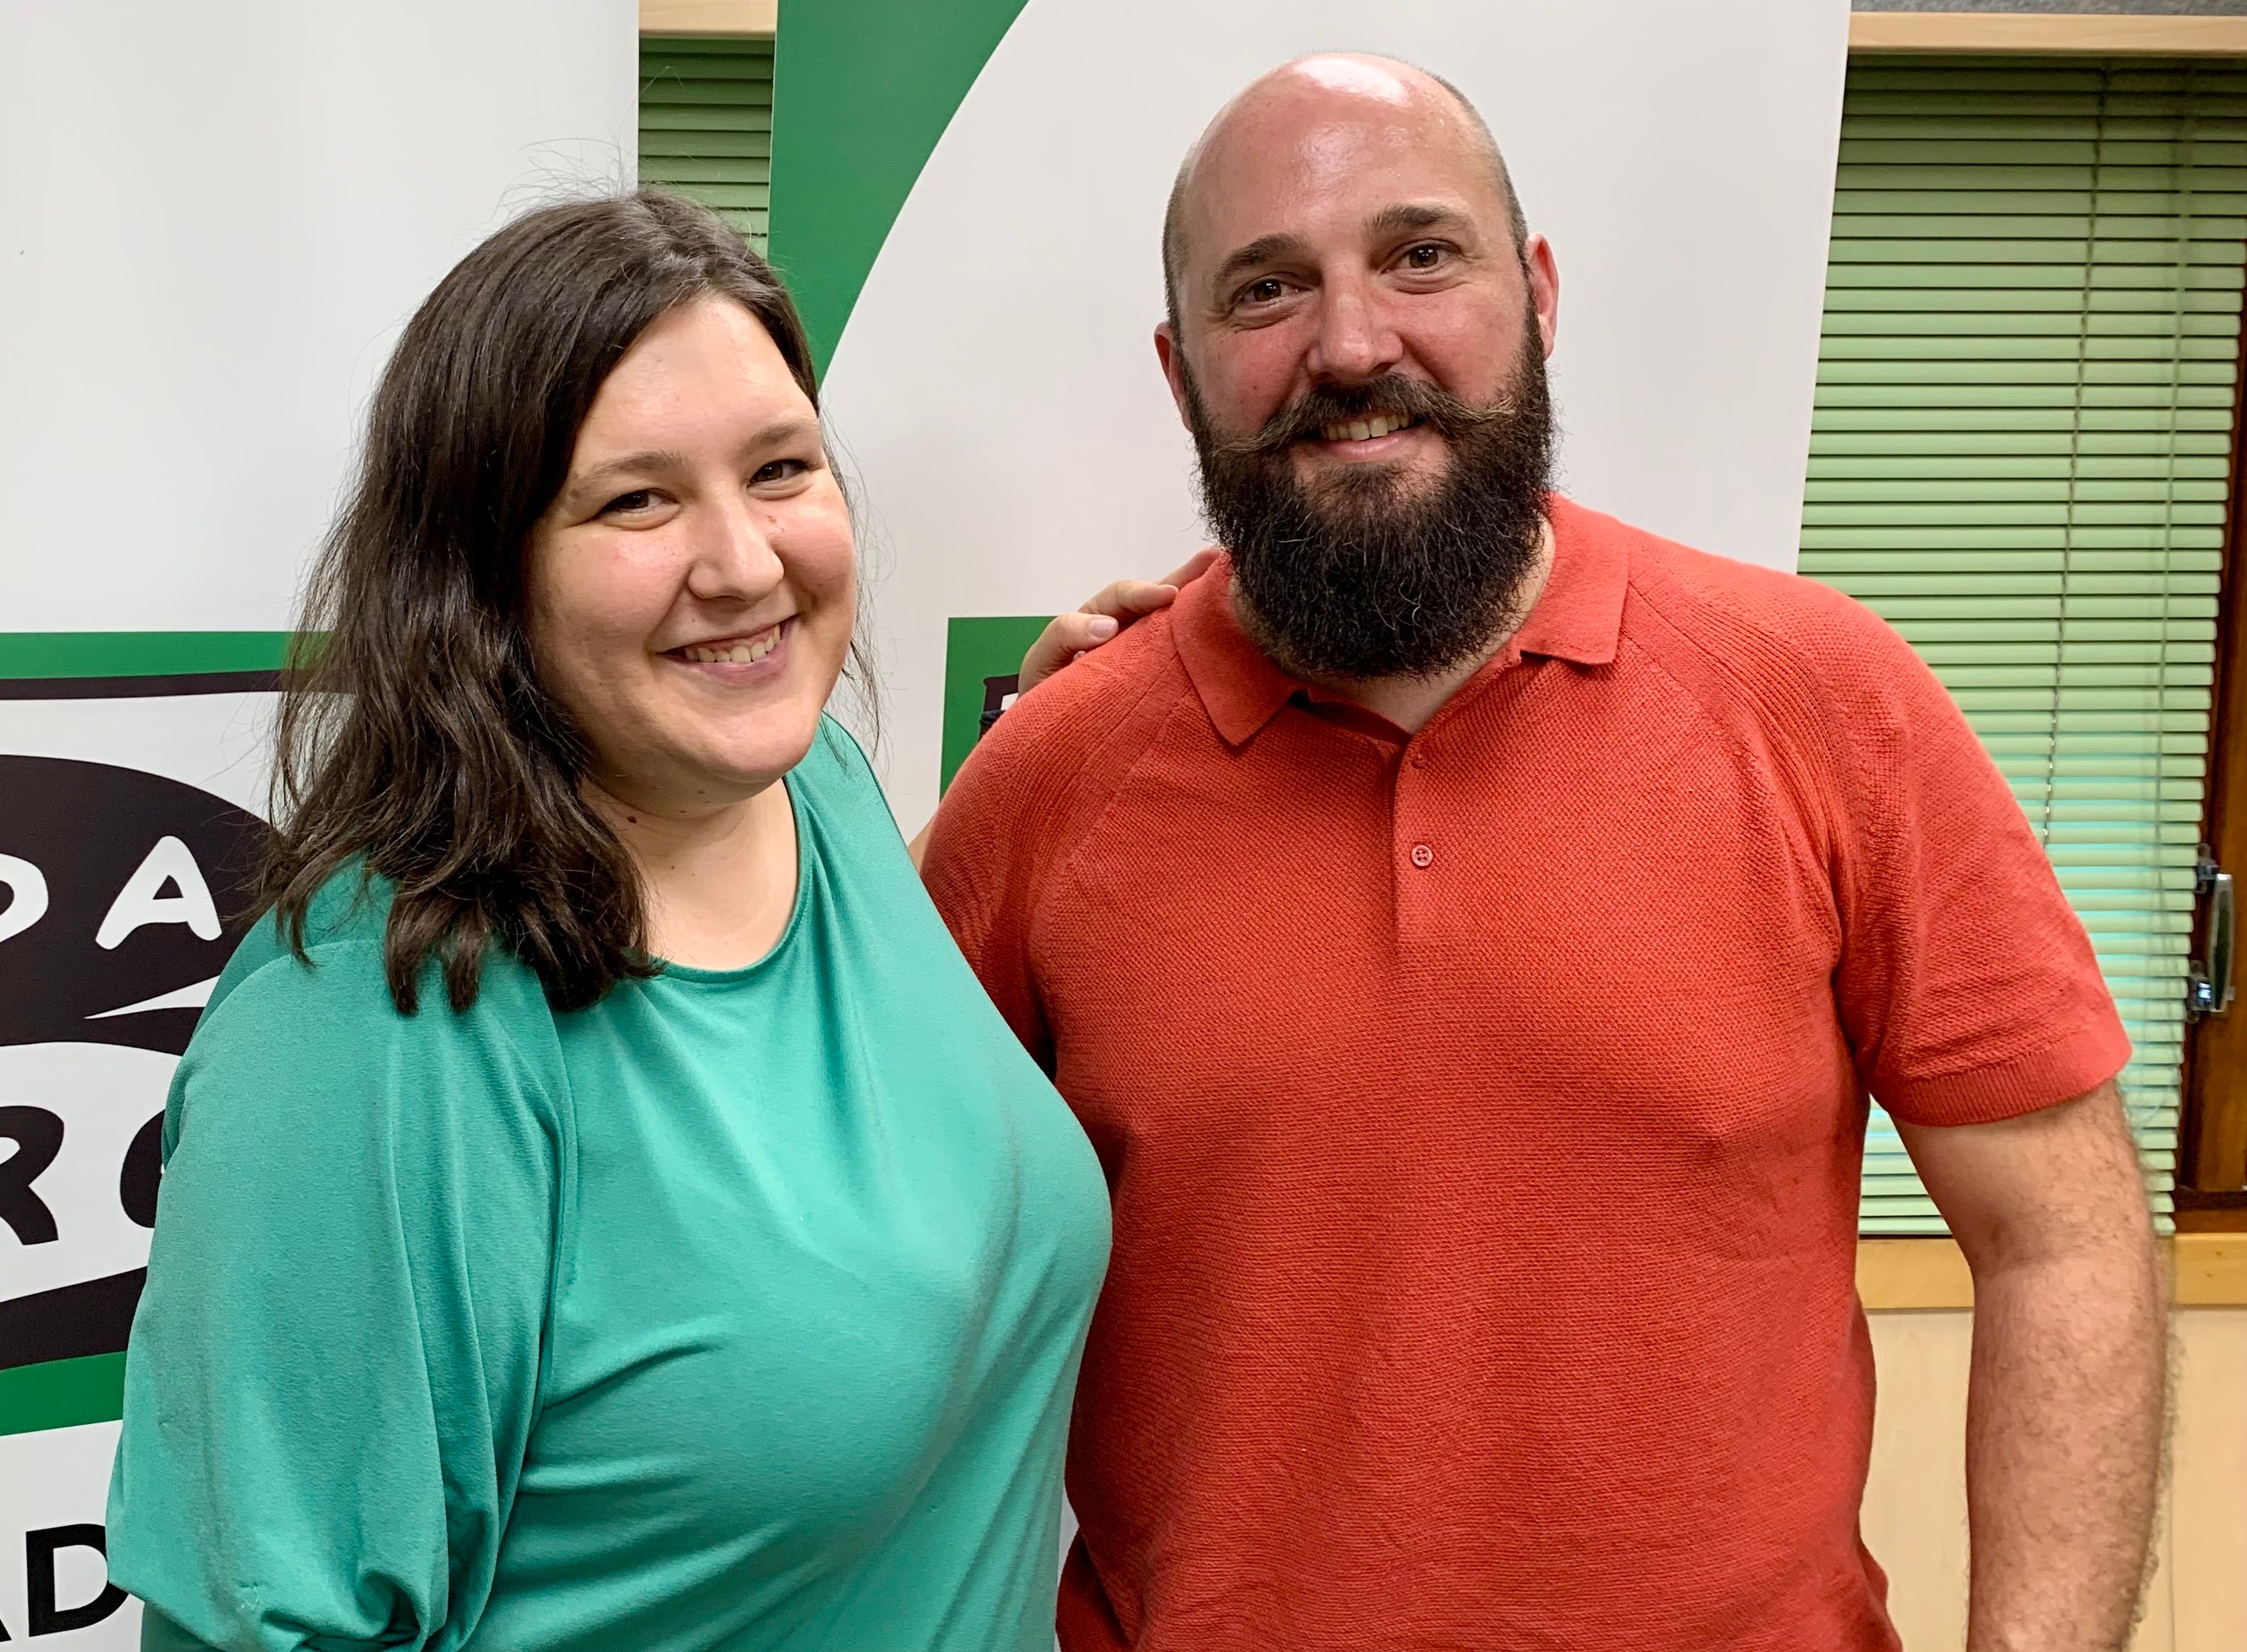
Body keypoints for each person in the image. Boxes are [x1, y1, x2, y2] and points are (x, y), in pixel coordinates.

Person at [920, 53, 2168, 1652]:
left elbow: (2063, 1237)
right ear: (1180, 372)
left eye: (1420, 256)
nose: (1352, 344)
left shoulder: (1828, 698)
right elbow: (820, 1194)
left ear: (1541, 293)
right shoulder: (1059, 770)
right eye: (1267, 289)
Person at [102, 192, 1111, 1652]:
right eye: (637, 500)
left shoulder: (807, 782)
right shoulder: (388, 1022)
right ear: (481, 579)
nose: (747, 565)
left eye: (781, 469)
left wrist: (1068, 722)